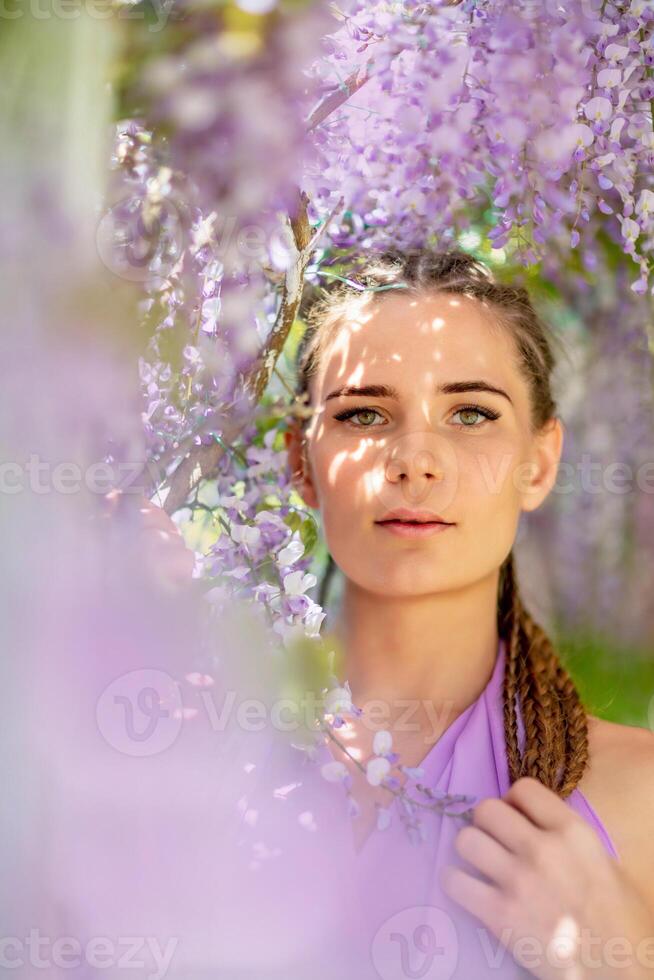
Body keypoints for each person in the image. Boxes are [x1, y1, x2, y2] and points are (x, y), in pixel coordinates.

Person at [131, 248, 654, 978]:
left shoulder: (640, 793)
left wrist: (620, 959)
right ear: (301, 465)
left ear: (539, 463)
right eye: (364, 413)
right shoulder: (193, 748)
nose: (415, 458)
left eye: (470, 413)